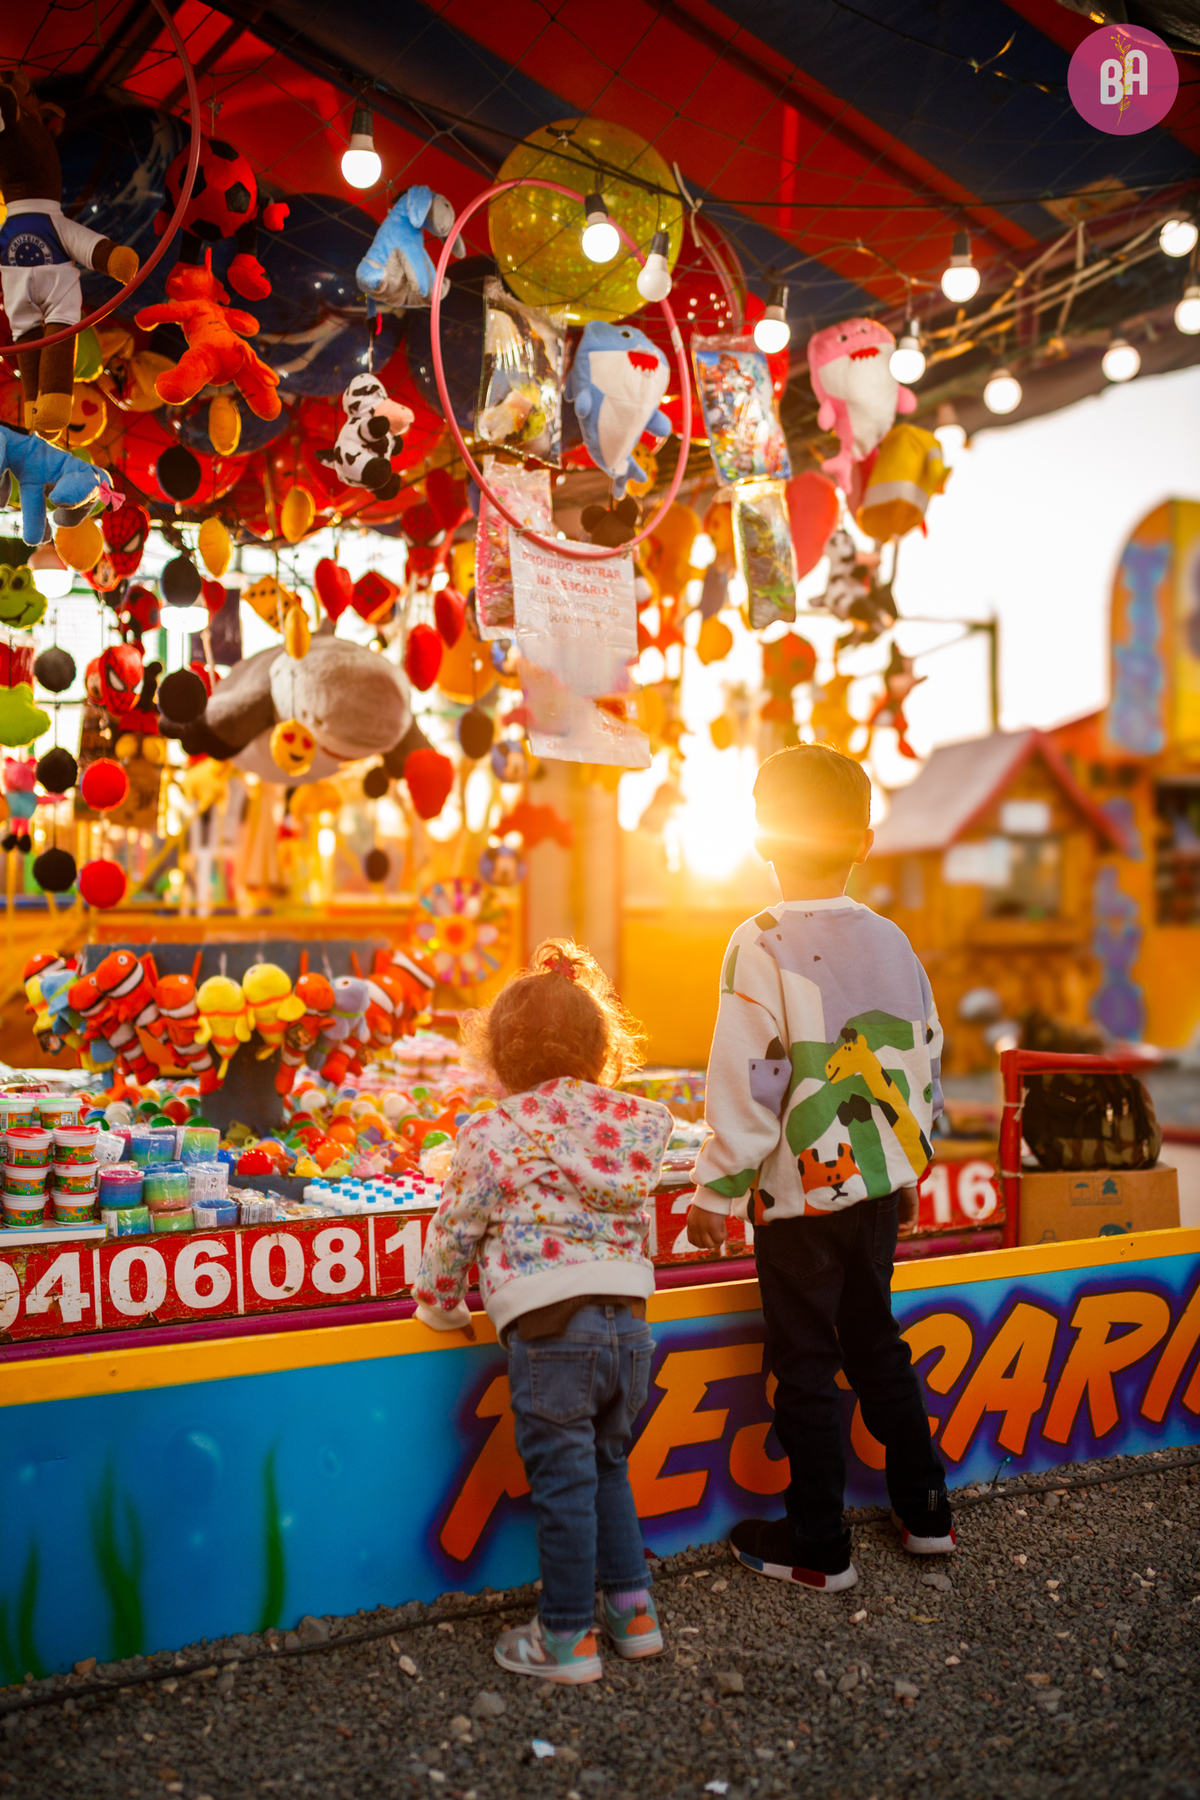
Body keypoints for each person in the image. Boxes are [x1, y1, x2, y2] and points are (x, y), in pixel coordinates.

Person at [687, 744, 953, 1592]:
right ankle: (926, 1510)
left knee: (803, 1361)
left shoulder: (757, 941)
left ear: (763, 840)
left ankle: (819, 1541)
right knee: (878, 1343)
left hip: (799, 1199)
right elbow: (922, 1059)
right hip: (878, 1187)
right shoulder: (893, 940)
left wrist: (719, 1186)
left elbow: (751, 1075)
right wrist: (911, 1166)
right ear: (865, 840)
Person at [414, 938, 673, 1683]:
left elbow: (457, 1227)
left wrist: (437, 1304)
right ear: (600, 1048)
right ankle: (634, 1615)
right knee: (607, 1465)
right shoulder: (632, 1125)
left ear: (499, 1050)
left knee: (562, 1485)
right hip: (629, 1325)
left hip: (553, 1329)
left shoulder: (492, 1132)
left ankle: (566, 1637)